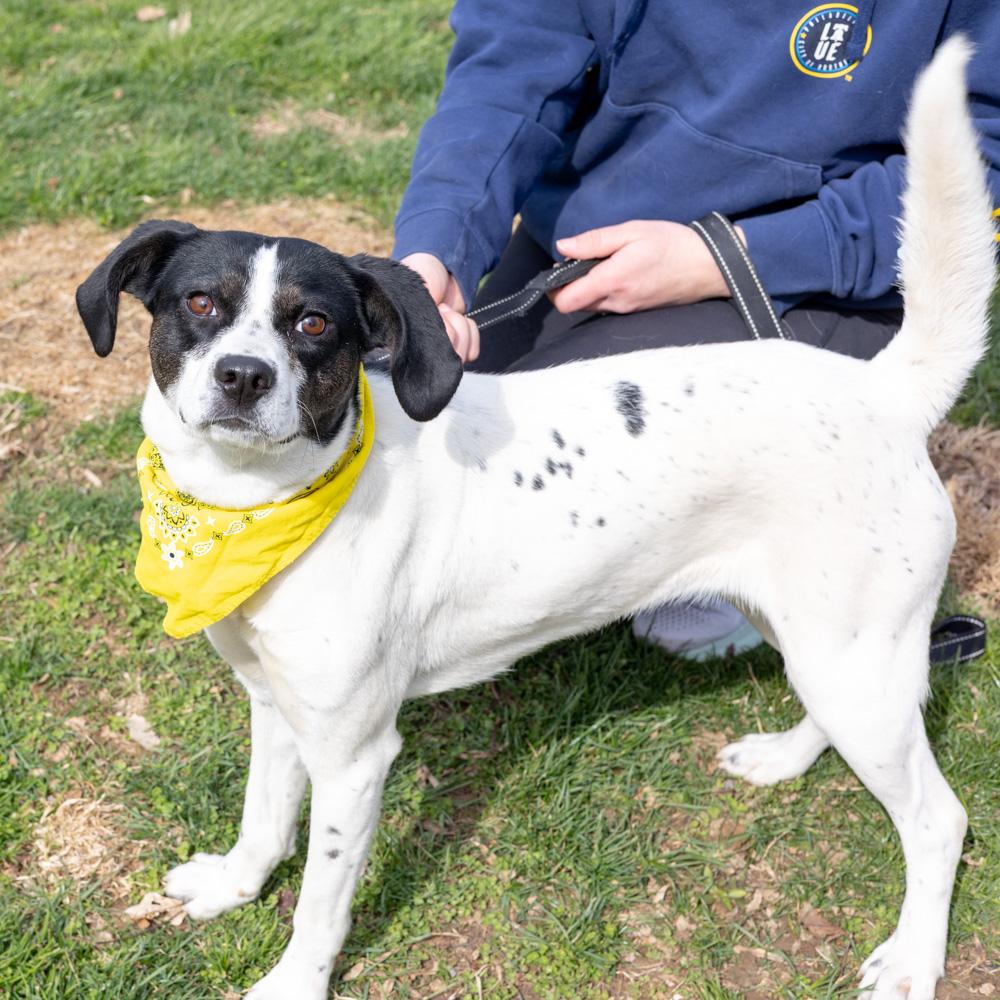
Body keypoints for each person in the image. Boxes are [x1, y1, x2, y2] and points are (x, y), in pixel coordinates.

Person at [393, 1, 1000, 659]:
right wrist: (441, 241)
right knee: (439, 450)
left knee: (511, 524)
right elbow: (513, 55)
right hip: (586, 238)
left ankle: (765, 551)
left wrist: (726, 257)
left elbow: (983, 161)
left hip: (814, 277)